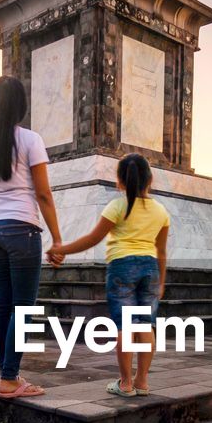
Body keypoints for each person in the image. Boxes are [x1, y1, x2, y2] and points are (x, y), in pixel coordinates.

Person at [0, 76, 63, 398]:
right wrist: (57, 238)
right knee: (23, 309)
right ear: (19, 105)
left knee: (2, 304)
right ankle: (9, 379)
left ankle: (8, 374)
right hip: (21, 229)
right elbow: (44, 195)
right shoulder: (30, 140)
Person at [48, 153, 169, 396]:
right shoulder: (161, 211)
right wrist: (162, 282)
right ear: (150, 179)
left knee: (125, 326)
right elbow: (161, 252)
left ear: (120, 181)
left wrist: (61, 250)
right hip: (150, 269)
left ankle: (125, 383)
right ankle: (142, 381)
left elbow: (92, 239)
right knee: (145, 325)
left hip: (121, 267)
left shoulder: (117, 206)